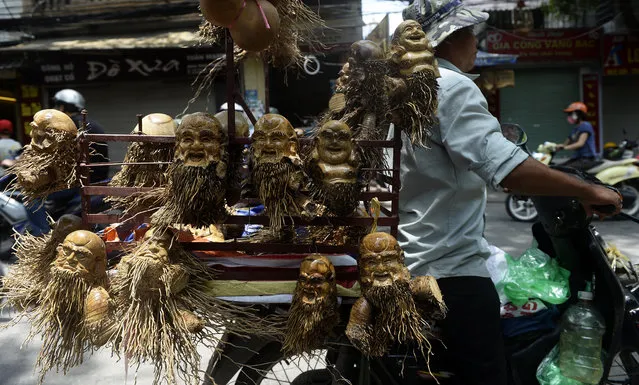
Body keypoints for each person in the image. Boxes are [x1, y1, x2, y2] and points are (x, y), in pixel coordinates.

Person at [398, 2, 622, 385]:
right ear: (455, 37)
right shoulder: (449, 86)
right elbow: (510, 170)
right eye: (473, 34)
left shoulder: (404, 90)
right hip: (451, 271)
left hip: (411, 255)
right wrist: (590, 190)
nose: (476, 43)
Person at [52, 89, 110, 182]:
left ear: (62, 107)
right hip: (100, 178)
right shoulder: (91, 123)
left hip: (80, 182)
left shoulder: (67, 126)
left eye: (57, 106)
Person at [557, 101, 599, 171]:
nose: (569, 116)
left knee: (566, 171)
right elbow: (565, 143)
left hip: (586, 159)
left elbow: (580, 143)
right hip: (577, 158)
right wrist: (555, 147)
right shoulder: (575, 129)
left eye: (570, 114)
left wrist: (564, 147)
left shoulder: (585, 126)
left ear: (578, 114)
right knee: (557, 168)